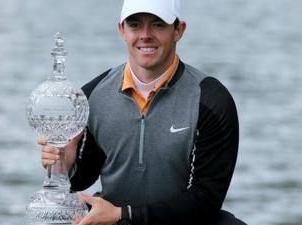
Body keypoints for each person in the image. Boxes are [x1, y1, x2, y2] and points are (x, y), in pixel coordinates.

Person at [39, 0, 246, 224]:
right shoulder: (91, 97)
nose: (145, 35)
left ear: (179, 30)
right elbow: (82, 178)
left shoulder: (210, 100)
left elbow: (206, 199)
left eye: (158, 24)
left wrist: (124, 215)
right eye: (135, 25)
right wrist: (65, 164)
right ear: (122, 30)